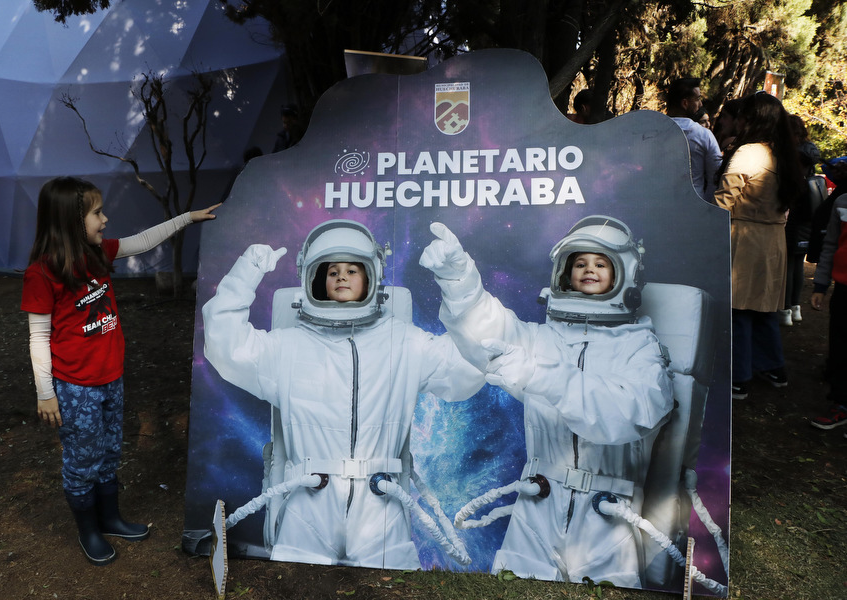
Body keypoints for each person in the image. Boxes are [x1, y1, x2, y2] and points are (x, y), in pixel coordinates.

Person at [201, 219, 484, 569]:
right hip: (308, 500)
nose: (341, 277)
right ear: (315, 278)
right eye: (332, 270)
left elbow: (470, 365)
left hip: (380, 504)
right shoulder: (286, 347)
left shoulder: (405, 342)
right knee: (296, 589)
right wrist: (245, 275)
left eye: (352, 269)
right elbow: (225, 345)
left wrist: (458, 281)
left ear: (372, 277)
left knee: (389, 592)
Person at [420, 216, 674, 587]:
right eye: (580, 263)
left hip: (608, 509)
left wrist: (545, 378)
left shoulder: (640, 348)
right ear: (563, 274)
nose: (589, 270)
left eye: (601, 263)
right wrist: (458, 280)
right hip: (538, 498)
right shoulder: (543, 339)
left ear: (625, 275)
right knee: (515, 588)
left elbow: (629, 415)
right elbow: (487, 335)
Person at [21, 176, 219, 566]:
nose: (105, 220)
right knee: (83, 458)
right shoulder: (42, 274)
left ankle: (110, 518)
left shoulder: (97, 253)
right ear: (70, 221)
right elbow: (38, 336)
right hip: (75, 386)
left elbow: (142, 241)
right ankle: (88, 530)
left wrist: (186, 218)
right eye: (97, 213)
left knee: (111, 450)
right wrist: (46, 393)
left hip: (111, 377)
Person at [714, 92, 805, 400]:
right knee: (764, 308)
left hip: (746, 238)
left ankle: (738, 377)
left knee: (737, 309)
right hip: (773, 239)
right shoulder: (784, 152)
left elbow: (724, 199)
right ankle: (773, 367)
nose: (737, 119)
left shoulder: (750, 151)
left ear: (752, 119)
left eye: (742, 115)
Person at [809, 179, 847, 431]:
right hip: (844, 291)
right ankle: (841, 405)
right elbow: (830, 245)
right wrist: (820, 285)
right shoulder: (842, 202)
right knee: (841, 348)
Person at [780, 114, 822, 326]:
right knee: (797, 262)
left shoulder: (790, 154)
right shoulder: (811, 151)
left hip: (793, 212)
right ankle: (796, 308)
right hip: (809, 214)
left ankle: (785, 309)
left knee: (787, 264)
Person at [665, 77, 723, 204]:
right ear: (685, 103)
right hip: (692, 207)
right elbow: (715, 177)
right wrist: (705, 204)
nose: (700, 104)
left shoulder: (651, 132)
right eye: (697, 99)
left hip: (656, 205)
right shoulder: (704, 135)